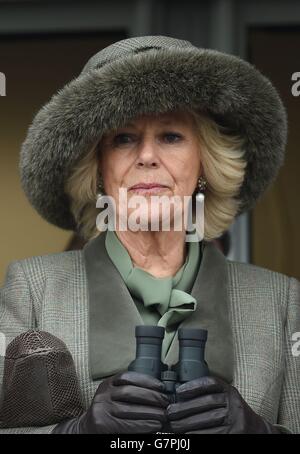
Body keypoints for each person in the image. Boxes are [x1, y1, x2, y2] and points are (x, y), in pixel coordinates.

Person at [0, 36, 299, 434]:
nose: (146, 156)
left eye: (171, 136)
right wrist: (73, 431)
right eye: (123, 138)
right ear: (98, 168)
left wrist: (258, 432)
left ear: (206, 164)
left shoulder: (280, 300)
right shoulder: (33, 288)